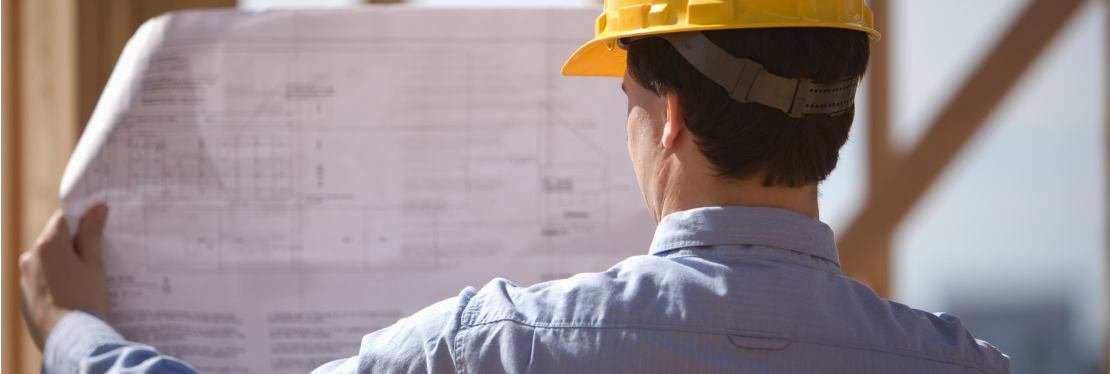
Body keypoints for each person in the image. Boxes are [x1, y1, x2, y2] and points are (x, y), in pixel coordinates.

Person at [20, 1, 1011, 373]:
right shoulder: (968, 366)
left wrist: (74, 332)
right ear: (834, 118)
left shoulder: (498, 345)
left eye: (623, 92)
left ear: (667, 117)